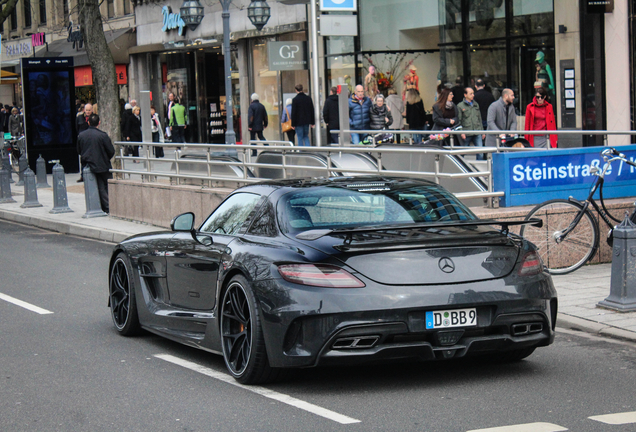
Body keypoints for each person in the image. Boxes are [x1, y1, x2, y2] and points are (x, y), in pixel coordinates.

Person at [77, 114, 115, 214]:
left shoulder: (82, 136)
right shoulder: (103, 135)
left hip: (88, 164)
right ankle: (108, 207)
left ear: (88, 122)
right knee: (105, 186)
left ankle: (104, 207)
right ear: (99, 123)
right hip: (103, 164)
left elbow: (79, 150)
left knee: (97, 187)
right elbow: (111, 150)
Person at [456, 87, 485, 159]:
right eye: (471, 94)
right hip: (467, 131)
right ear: (465, 95)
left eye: (473, 93)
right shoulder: (460, 106)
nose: (473, 95)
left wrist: (482, 131)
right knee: (462, 152)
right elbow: (459, 120)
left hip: (477, 131)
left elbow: (479, 118)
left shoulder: (476, 104)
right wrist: (461, 132)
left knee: (480, 153)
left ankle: (479, 168)